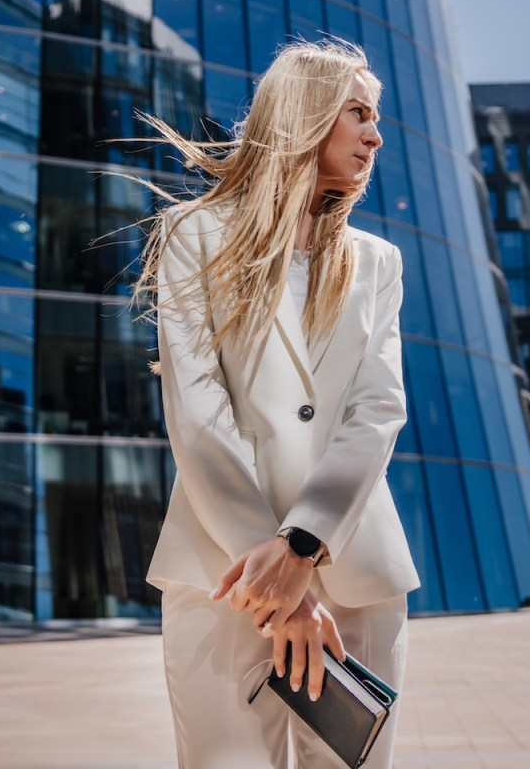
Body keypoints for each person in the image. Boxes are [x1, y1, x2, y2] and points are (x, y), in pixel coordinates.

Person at [135, 40, 420, 768]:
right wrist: (281, 583)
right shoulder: (193, 236)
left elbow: (379, 409)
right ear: (305, 114)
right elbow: (197, 411)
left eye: (376, 117)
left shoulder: (376, 263)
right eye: (358, 113)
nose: (375, 134)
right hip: (221, 574)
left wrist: (304, 545)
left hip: (356, 576)